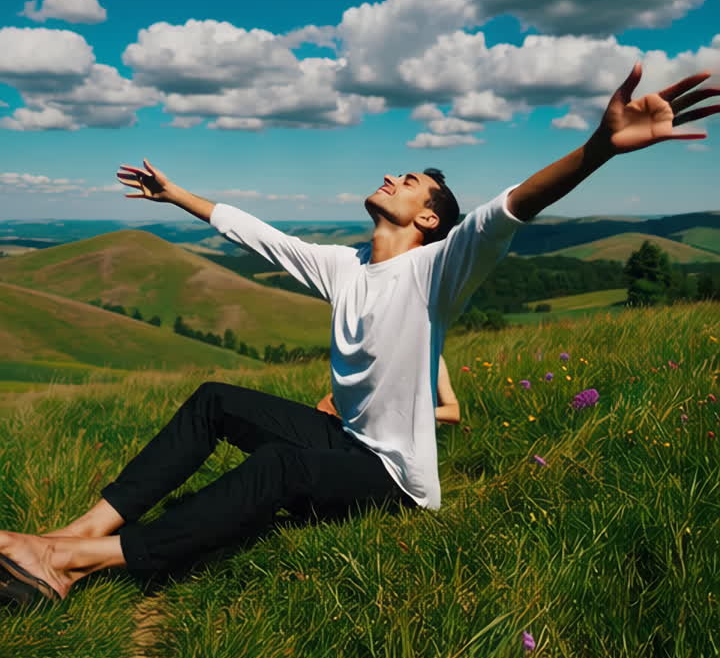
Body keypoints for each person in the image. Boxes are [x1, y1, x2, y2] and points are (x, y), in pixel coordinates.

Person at [1, 63, 717, 607]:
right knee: (215, 399)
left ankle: (79, 565)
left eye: (406, 180)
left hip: (393, 478)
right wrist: (176, 194)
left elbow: (511, 207)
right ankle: (79, 531)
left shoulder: (441, 269)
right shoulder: (344, 267)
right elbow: (255, 233)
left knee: (279, 468)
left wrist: (599, 146)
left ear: (429, 218)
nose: (389, 176)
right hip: (345, 442)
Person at [316, 354, 459, 424]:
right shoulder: (378, 356)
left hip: (411, 436)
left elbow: (453, 412)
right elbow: (327, 405)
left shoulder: (432, 358)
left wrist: (410, 412)